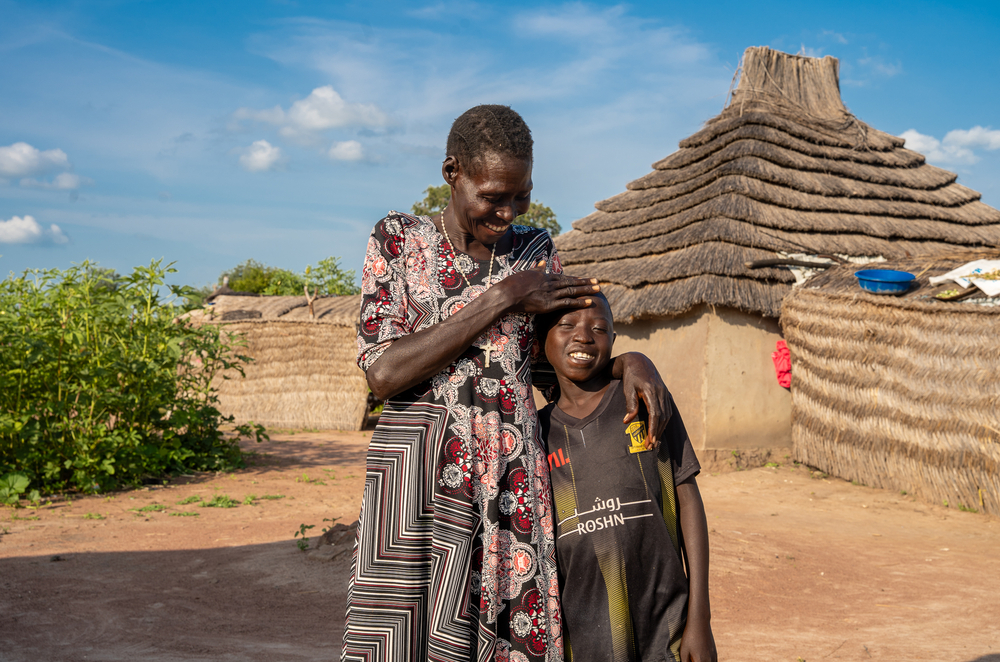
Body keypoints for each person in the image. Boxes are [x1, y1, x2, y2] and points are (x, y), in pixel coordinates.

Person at [344, 105, 673, 662]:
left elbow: (560, 366)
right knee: (406, 635)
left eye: (521, 196)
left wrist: (630, 362)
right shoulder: (398, 240)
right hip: (417, 482)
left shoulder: (535, 252)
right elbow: (384, 373)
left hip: (510, 480)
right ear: (452, 173)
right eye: (493, 196)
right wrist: (502, 298)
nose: (508, 212)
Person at [537, 293, 717, 662]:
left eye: (599, 329)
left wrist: (700, 618)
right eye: (566, 325)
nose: (583, 336)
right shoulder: (535, 433)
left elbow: (687, 499)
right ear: (541, 341)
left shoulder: (645, 400)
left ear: (614, 340)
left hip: (665, 618)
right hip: (584, 632)